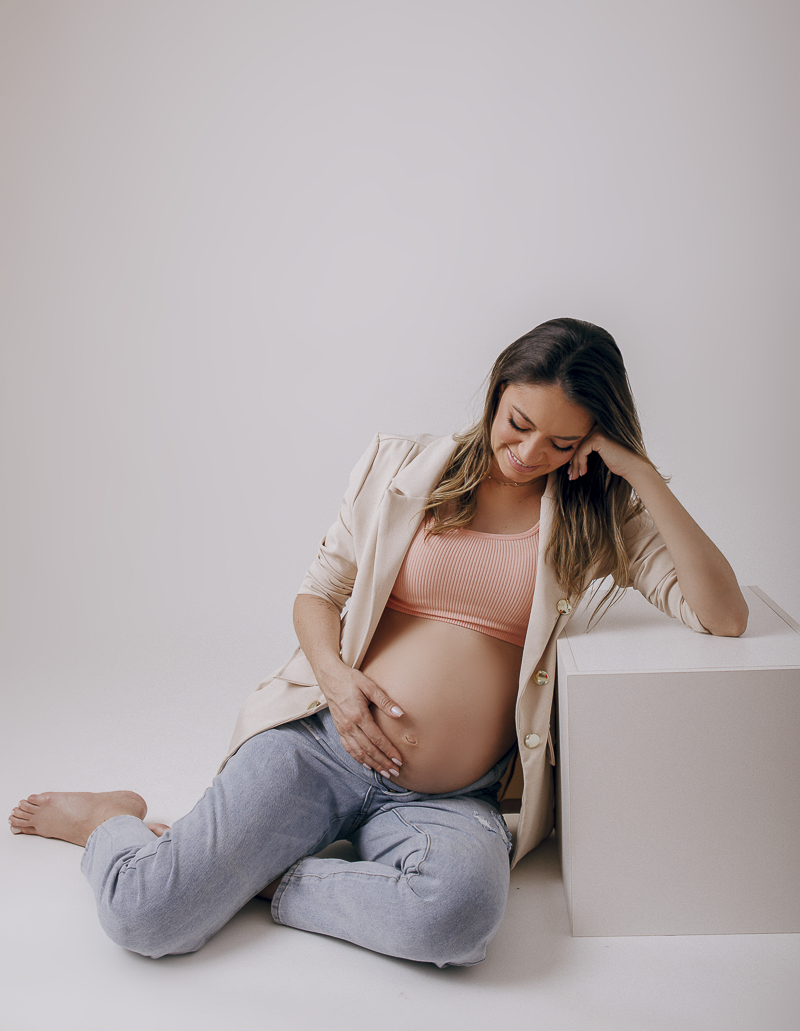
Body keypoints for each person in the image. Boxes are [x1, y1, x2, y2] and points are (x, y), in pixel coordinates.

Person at [8, 318, 748, 967]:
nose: (528, 453)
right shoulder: (404, 466)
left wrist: (638, 472)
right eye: (518, 423)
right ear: (497, 390)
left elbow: (724, 615)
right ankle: (109, 821)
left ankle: (266, 878)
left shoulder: (596, 518)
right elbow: (317, 594)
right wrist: (336, 682)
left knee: (456, 920)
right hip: (323, 747)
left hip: (452, 798)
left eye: (561, 442)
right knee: (145, 917)